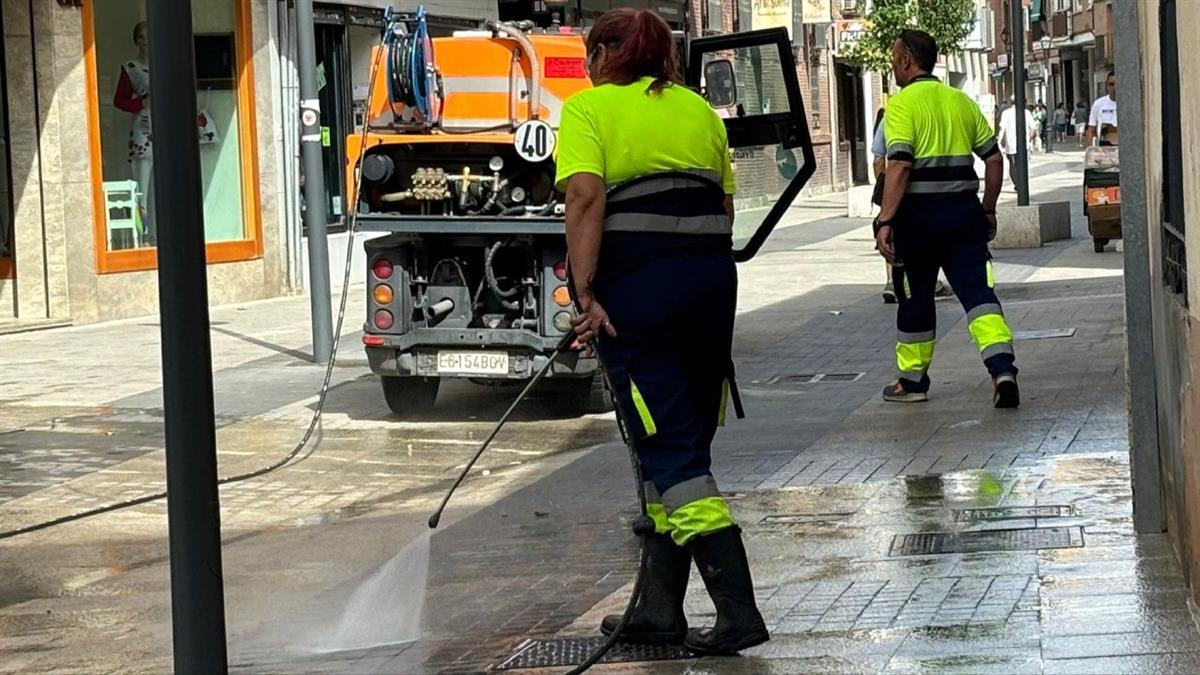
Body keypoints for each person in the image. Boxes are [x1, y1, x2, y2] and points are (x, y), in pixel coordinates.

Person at [556, 8, 768, 655]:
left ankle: (738, 611)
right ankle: (657, 608)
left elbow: (585, 198)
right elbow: (726, 207)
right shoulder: (700, 112)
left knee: (673, 453)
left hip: (638, 300)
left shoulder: (589, 112)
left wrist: (585, 292)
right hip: (709, 291)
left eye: (592, 52)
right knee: (670, 444)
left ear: (604, 56)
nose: (588, 64)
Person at [874, 29, 1020, 408]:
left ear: (906, 60)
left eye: (894, 59)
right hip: (963, 216)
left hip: (917, 222)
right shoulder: (961, 102)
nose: (893, 65)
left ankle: (912, 382)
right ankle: (1001, 370)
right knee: (979, 295)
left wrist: (885, 220)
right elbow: (993, 159)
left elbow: (900, 165)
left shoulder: (902, 106)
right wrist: (987, 208)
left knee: (916, 298)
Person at [874, 110, 953, 304]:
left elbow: (878, 160)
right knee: (926, 238)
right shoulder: (929, 116)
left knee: (890, 234)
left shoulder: (889, 118)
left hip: (896, 191)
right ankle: (929, 283)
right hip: (925, 193)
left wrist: (886, 190)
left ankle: (892, 281)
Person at [997, 98, 1036, 190]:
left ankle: (1017, 183)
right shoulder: (1026, 113)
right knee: (1022, 165)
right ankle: (1021, 184)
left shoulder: (1006, 113)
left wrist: (999, 141)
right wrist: (1029, 139)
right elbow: (1033, 129)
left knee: (1012, 165)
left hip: (1010, 144)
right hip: (1024, 144)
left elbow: (1002, 129)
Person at [1085, 70, 1118, 147]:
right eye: (1111, 84)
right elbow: (1091, 130)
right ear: (1106, 86)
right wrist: (1093, 149)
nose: (1114, 87)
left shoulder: (1129, 104)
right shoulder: (1098, 104)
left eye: (1117, 84)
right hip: (1104, 148)